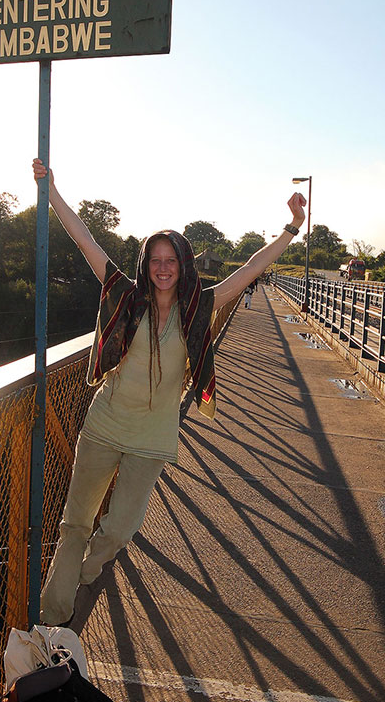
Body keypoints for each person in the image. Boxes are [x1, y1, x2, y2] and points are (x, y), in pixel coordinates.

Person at [33, 158, 306, 625]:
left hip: (152, 438)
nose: (163, 268)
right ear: (147, 264)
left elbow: (254, 266)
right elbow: (85, 240)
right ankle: (52, 615)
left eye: (171, 260)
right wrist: (52, 191)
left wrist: (292, 227)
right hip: (103, 425)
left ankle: (80, 576)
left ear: (183, 265)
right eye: (155, 260)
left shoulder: (203, 304)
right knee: (74, 523)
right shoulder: (125, 294)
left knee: (119, 529)